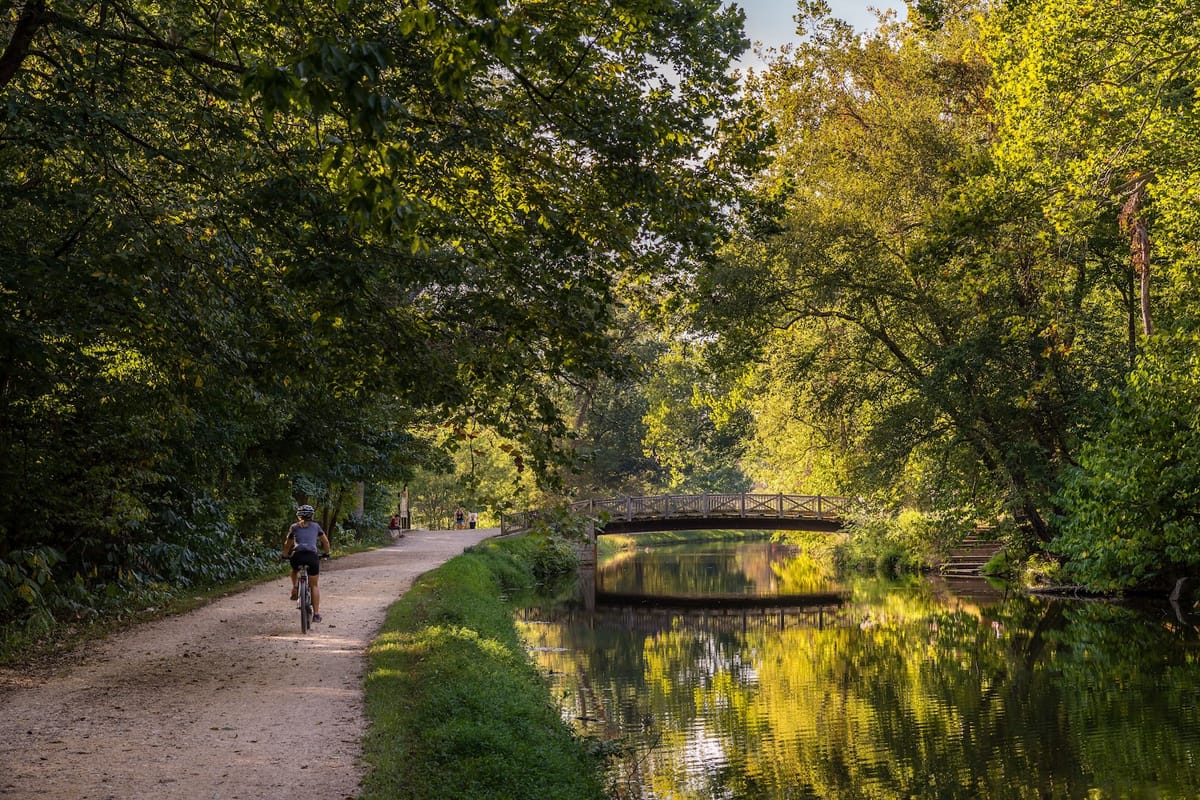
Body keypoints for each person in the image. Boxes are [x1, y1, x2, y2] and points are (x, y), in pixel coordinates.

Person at [283, 504, 332, 623]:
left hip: (297, 555)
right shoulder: (316, 526)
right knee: (314, 585)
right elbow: (325, 541)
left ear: (299, 516)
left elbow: (287, 544)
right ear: (312, 516)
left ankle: (295, 587)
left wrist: (285, 555)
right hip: (312, 556)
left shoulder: (294, 527)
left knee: (294, 570)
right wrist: (327, 553)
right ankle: (316, 614)